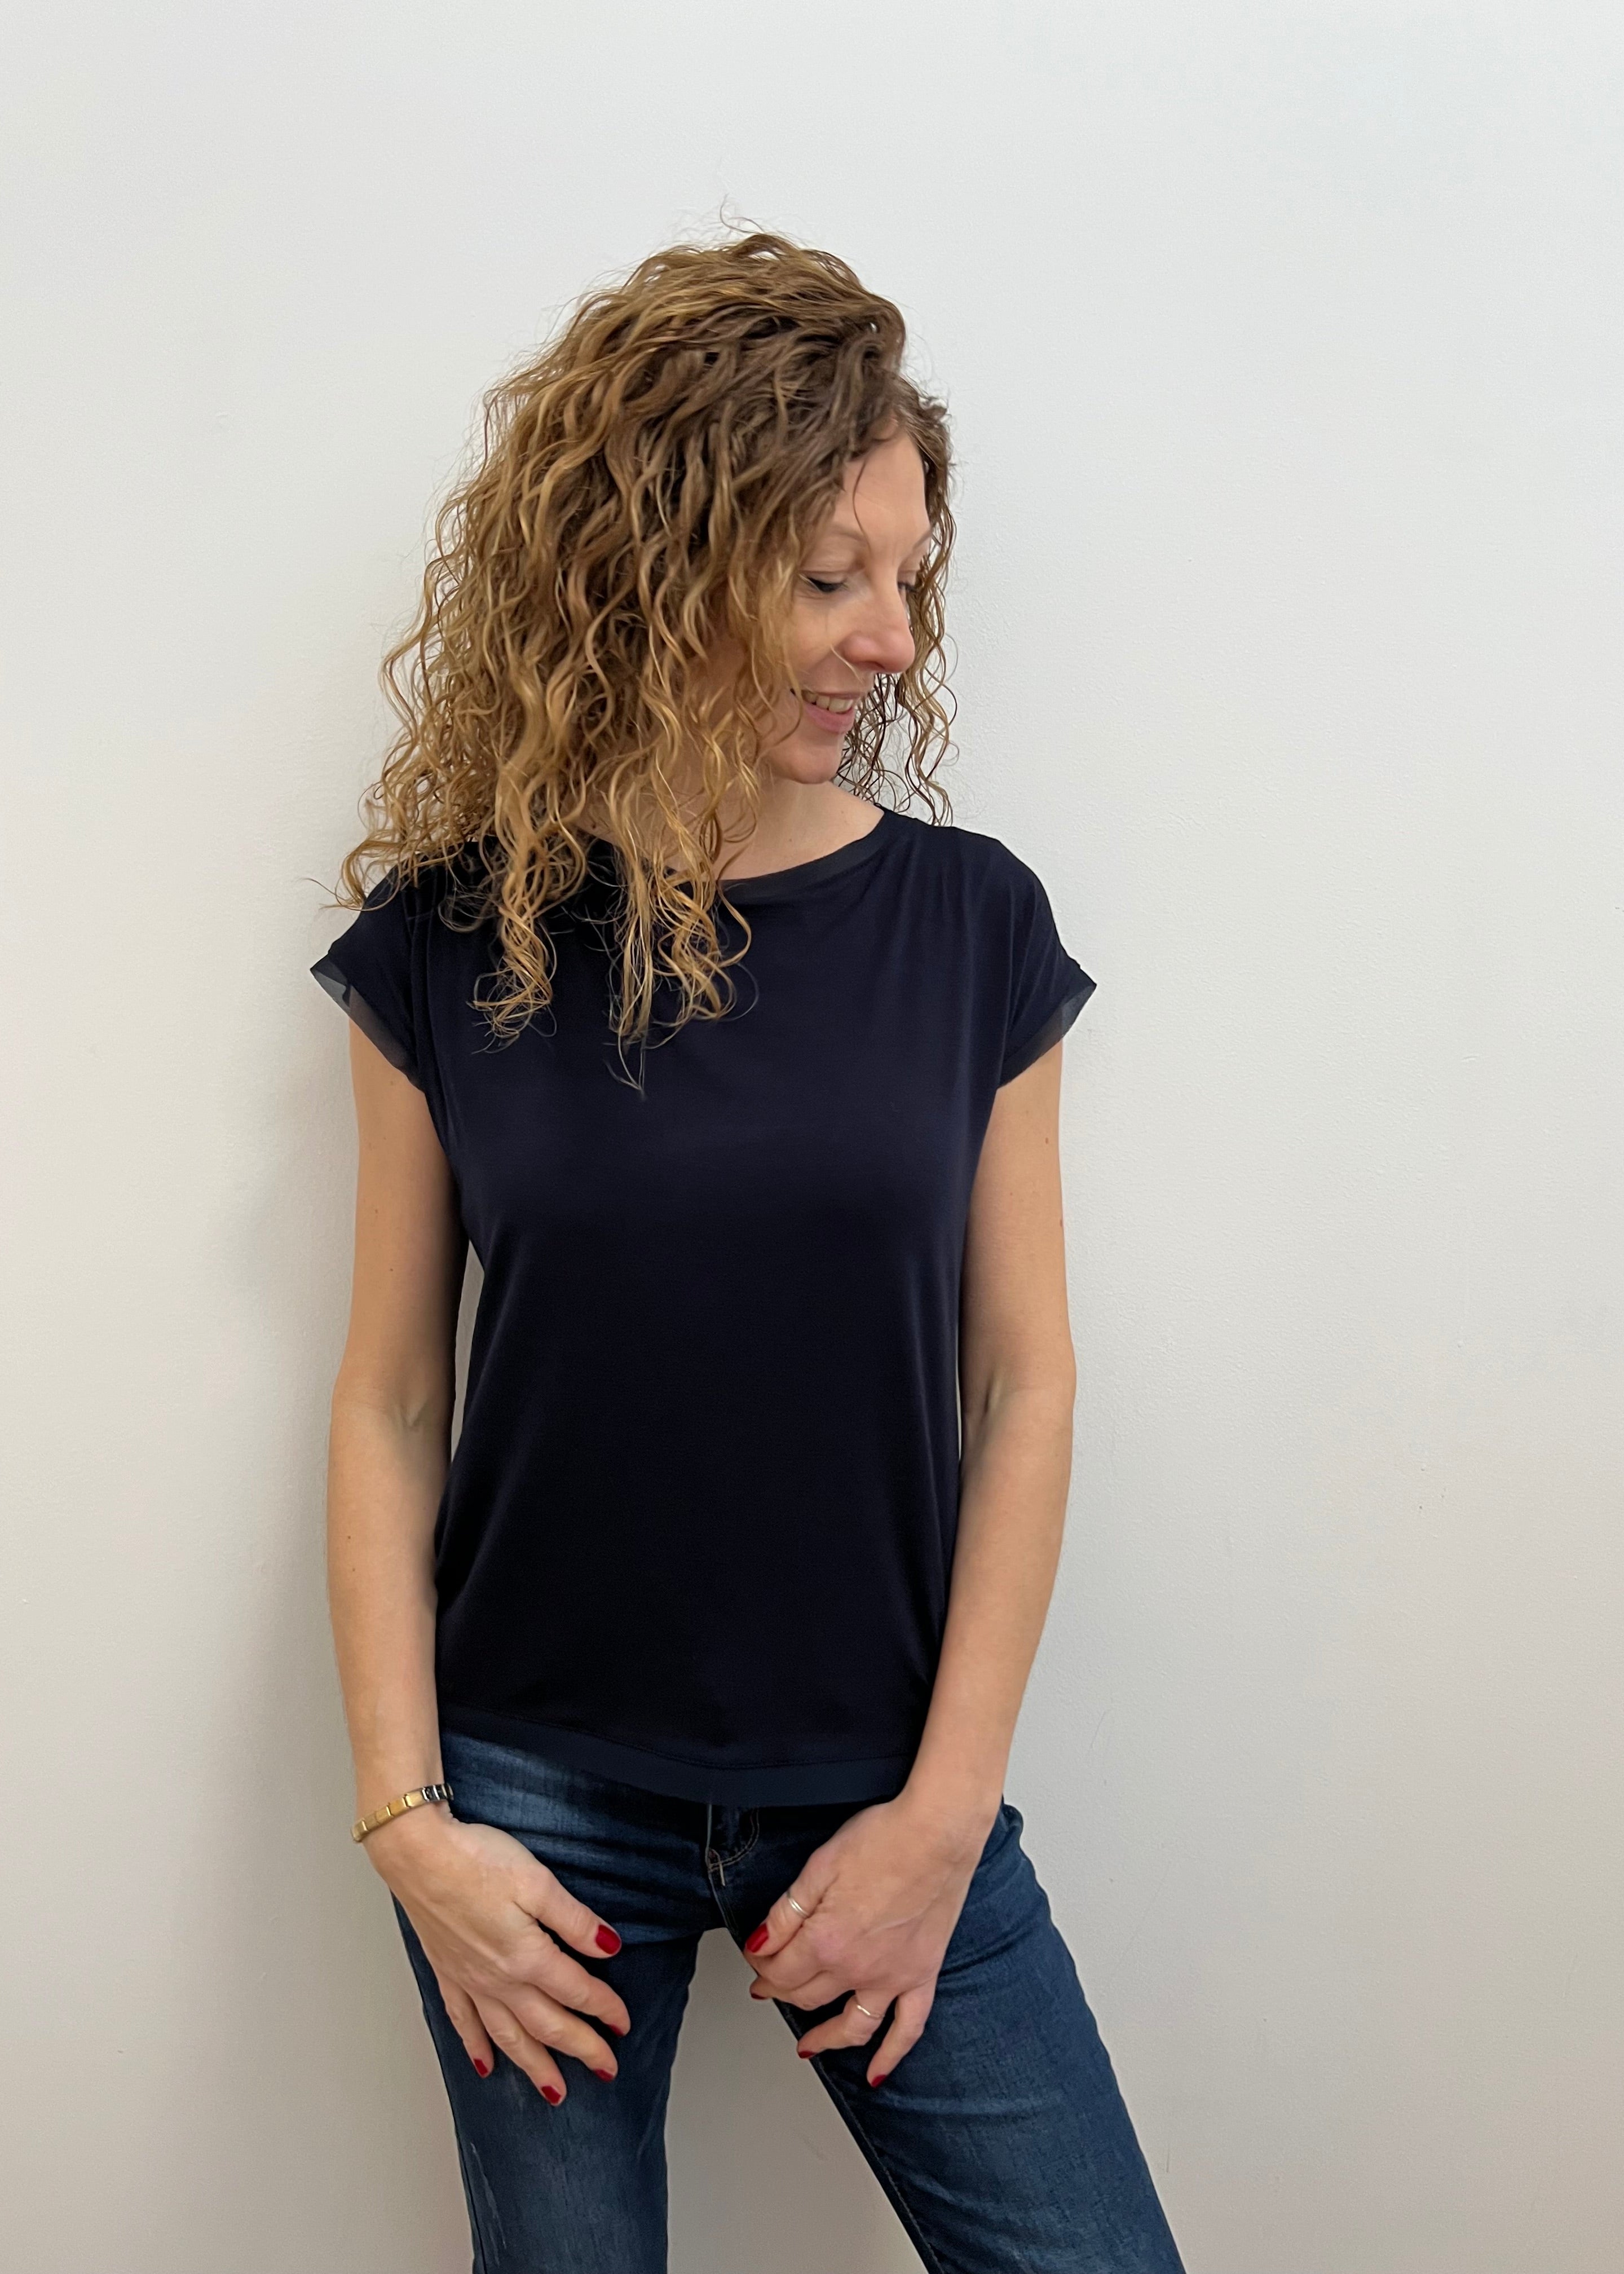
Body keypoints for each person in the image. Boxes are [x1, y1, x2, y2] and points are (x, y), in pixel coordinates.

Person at [311, 230, 1185, 2274]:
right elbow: (385, 1395)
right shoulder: (456, 944)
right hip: (530, 1804)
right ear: (651, 566)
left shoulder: (972, 929)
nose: (893, 636)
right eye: (827, 576)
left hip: (889, 1788)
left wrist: (945, 1815)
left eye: (907, 575)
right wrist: (409, 1828)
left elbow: (1030, 1380)